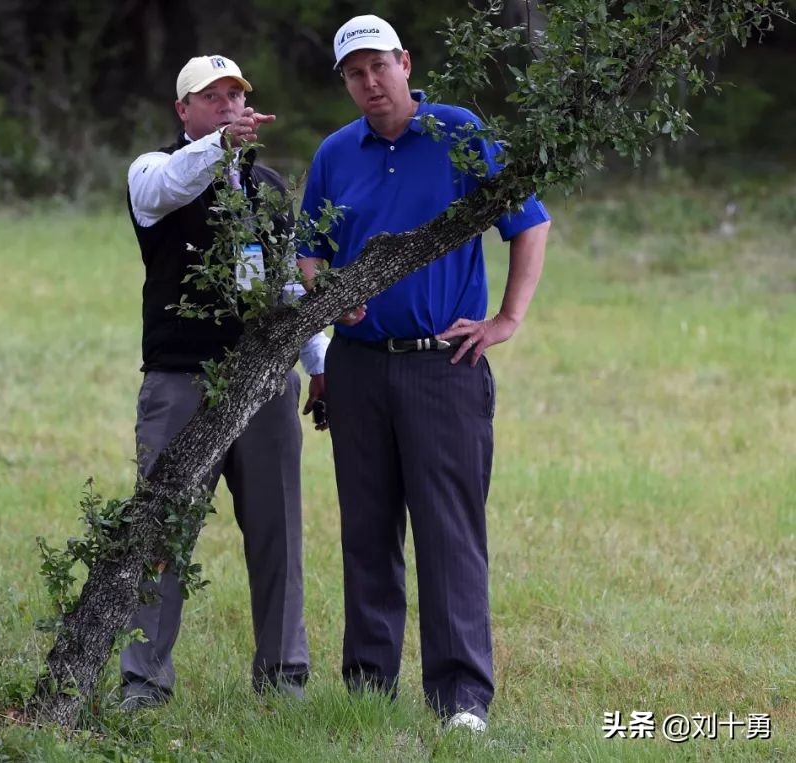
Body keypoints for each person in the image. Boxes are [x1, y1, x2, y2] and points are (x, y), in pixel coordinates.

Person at [297, 15, 551, 732]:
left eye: (380, 65)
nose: (370, 82)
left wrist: (506, 319)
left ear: (406, 62)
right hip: (357, 370)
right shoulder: (334, 153)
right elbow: (309, 255)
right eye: (355, 72)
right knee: (367, 529)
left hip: (445, 365)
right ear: (344, 81)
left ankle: (462, 697)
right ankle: (368, 686)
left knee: (449, 533)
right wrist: (327, 298)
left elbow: (528, 221)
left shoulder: (457, 130)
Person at [122, 54, 330, 709]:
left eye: (235, 94)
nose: (226, 104)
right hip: (180, 380)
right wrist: (217, 147)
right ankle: (144, 678)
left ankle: (284, 673)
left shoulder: (267, 184)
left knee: (278, 530)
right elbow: (166, 189)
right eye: (209, 96)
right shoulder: (155, 170)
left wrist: (318, 363)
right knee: (161, 531)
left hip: (264, 382)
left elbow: (289, 283)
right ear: (182, 110)